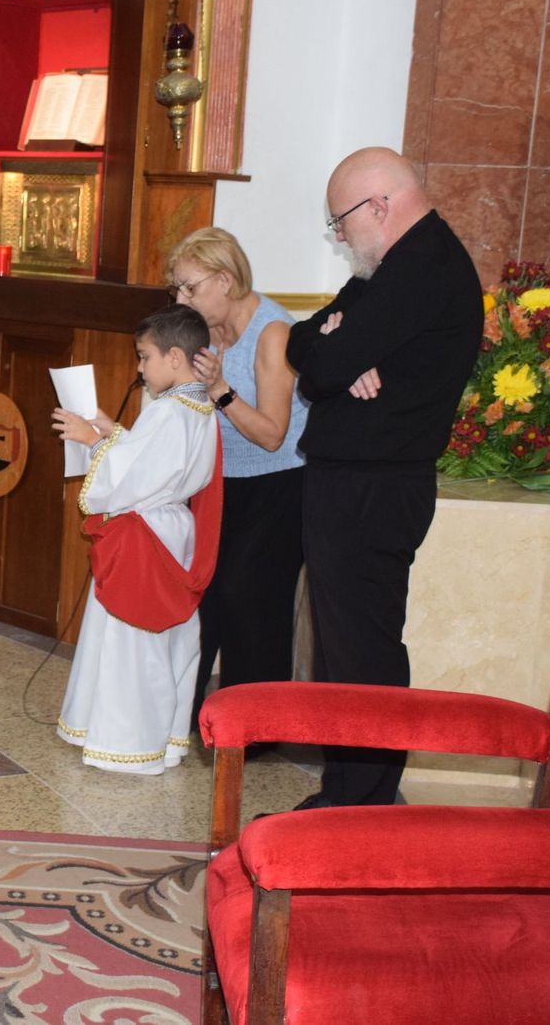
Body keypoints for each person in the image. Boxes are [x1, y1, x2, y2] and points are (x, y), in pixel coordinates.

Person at [283, 146, 483, 808]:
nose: (341, 238)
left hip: (376, 488)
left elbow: (317, 369)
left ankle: (363, 805)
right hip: (354, 482)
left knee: (364, 653)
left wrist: (339, 353)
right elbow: (303, 342)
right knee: (343, 652)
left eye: (341, 223)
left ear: (379, 205)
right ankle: (346, 793)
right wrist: (338, 348)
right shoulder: (390, 265)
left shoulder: (422, 268)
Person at [52, 304, 223, 775]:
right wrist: (117, 434)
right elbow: (156, 465)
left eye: (144, 357)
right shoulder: (197, 405)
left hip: (146, 534)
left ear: (173, 357)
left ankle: (128, 743)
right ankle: (162, 740)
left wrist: (92, 441)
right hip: (168, 530)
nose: (139, 367)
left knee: (134, 637)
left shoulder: (169, 411)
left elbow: (133, 479)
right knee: (164, 639)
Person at [168, 228, 309, 732]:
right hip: (218, 483)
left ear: (225, 280)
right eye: (177, 289)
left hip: (277, 485)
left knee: (252, 601)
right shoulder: (204, 330)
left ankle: (256, 729)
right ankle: (182, 716)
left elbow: (273, 434)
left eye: (190, 287)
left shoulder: (273, 333)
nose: (182, 299)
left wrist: (220, 389)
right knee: (204, 593)